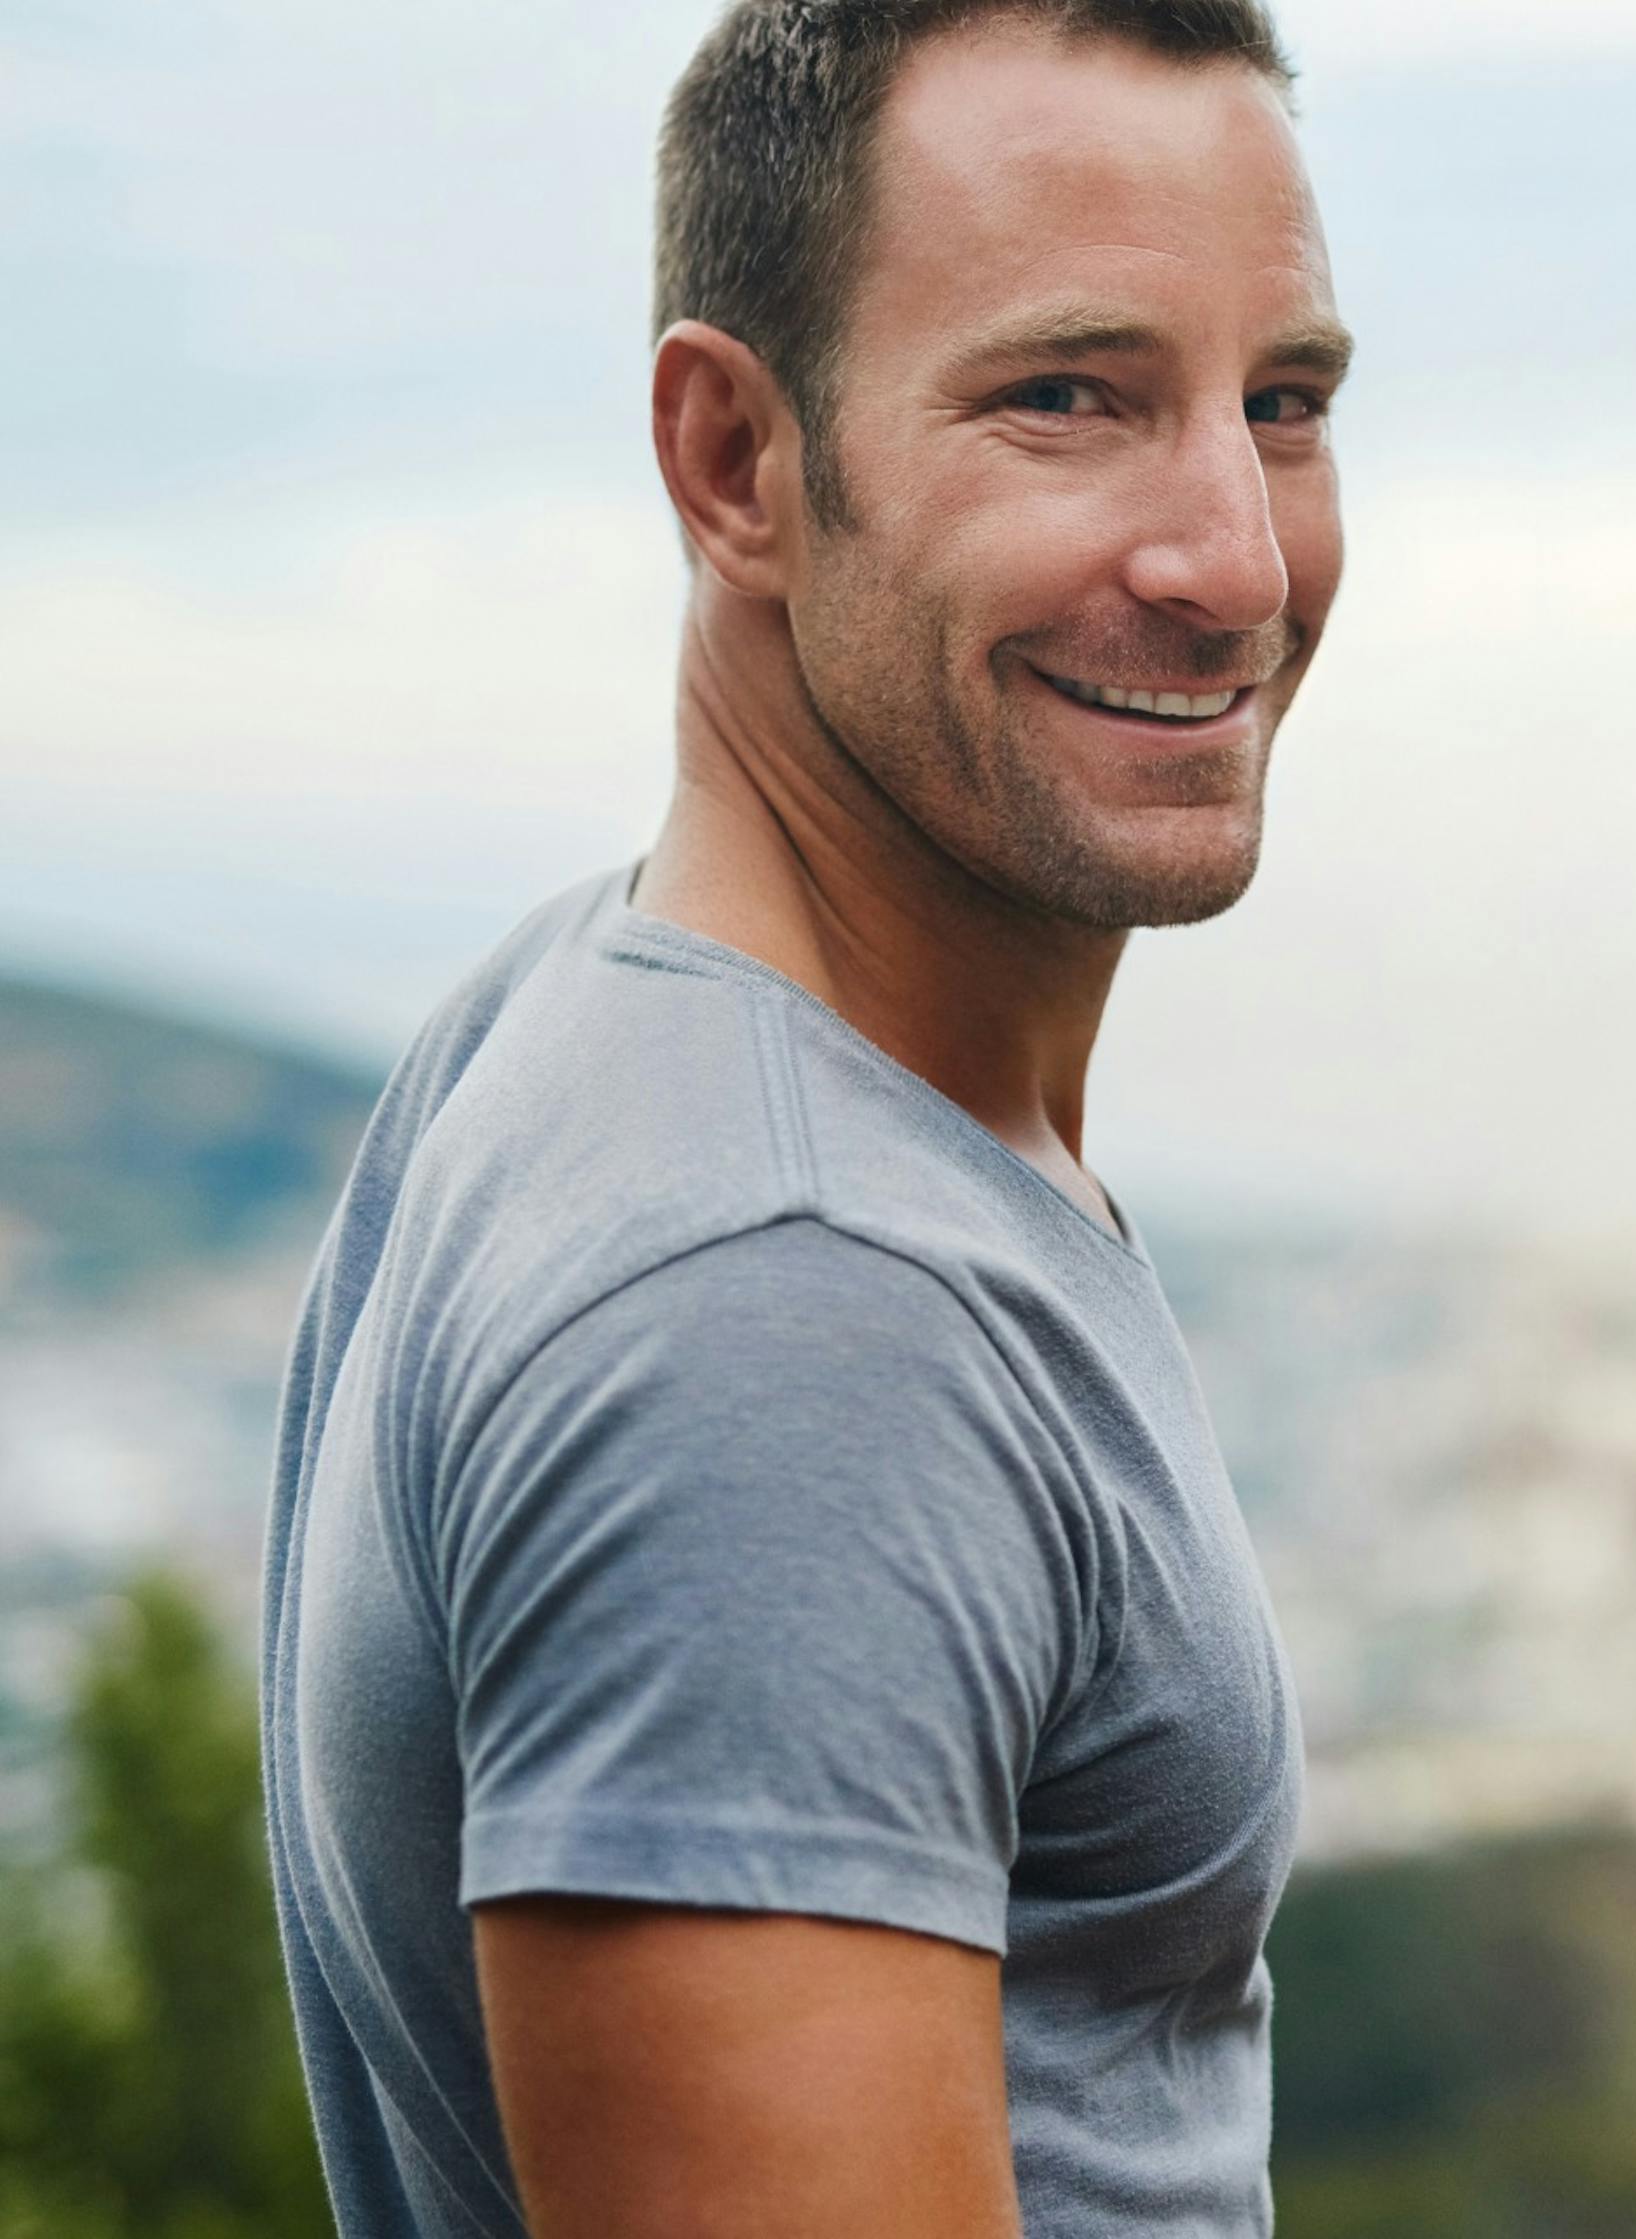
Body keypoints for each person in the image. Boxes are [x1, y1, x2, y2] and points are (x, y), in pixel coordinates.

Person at [256, 3, 1347, 2232]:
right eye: (1071, 396)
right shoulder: (787, 1304)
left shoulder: (600, 1009)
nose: (1233, 556)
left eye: (1285, 405)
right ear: (735, 459)